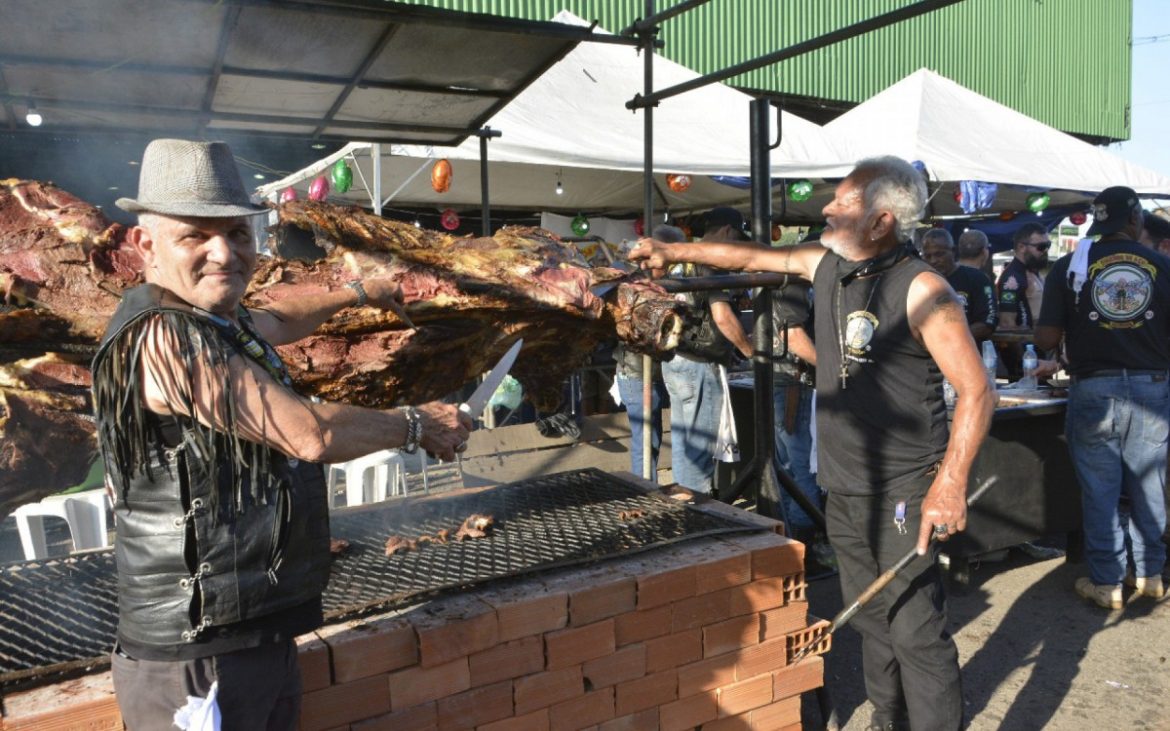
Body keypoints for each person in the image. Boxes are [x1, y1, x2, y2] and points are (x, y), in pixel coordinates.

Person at [92, 139, 471, 730]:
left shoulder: (214, 318)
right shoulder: (166, 337)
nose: (225, 253)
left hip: (248, 632)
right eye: (196, 235)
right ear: (147, 244)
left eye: (238, 233)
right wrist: (418, 424)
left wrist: (362, 290)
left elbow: (279, 317)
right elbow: (308, 434)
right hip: (196, 656)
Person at [632, 156, 994, 731]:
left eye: (843, 203)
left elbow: (977, 390)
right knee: (874, 620)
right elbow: (750, 258)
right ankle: (887, 720)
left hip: (903, 485)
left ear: (880, 221)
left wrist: (949, 484)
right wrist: (673, 252)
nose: (825, 208)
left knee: (916, 630)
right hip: (844, 483)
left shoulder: (924, 288)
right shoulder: (827, 265)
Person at [1036, 186, 1170, 609]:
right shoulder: (1163, 265)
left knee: (1100, 491)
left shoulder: (1070, 266)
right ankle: (1150, 575)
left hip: (1093, 387)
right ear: (1134, 220)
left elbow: (1045, 338)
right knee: (1150, 485)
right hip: (1152, 387)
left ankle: (1107, 582)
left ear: (1098, 220)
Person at [661, 208, 752, 493]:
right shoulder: (710, 263)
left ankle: (682, 503)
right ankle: (696, 509)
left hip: (674, 357)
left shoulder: (679, 260)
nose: (736, 244)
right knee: (700, 446)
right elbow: (722, 317)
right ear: (727, 231)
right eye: (737, 237)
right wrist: (750, 351)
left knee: (683, 441)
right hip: (700, 361)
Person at [612, 224, 683, 478]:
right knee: (646, 438)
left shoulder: (660, 280)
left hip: (652, 371)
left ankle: (648, 486)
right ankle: (645, 491)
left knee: (652, 434)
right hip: (634, 372)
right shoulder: (633, 280)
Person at [920, 228, 998, 343]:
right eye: (927, 256)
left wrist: (950, 340)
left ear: (953, 251)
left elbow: (988, 322)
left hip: (967, 353)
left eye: (939, 254)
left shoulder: (977, 279)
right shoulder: (920, 283)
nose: (933, 261)